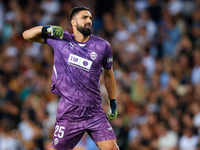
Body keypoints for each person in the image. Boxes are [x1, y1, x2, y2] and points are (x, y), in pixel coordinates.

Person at [22, 6, 119, 150]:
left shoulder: (103, 46)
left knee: (112, 148)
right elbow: (26, 35)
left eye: (90, 18)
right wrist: (46, 29)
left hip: (94, 110)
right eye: (84, 18)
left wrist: (113, 102)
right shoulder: (61, 40)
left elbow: (108, 74)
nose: (89, 21)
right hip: (69, 111)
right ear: (73, 22)